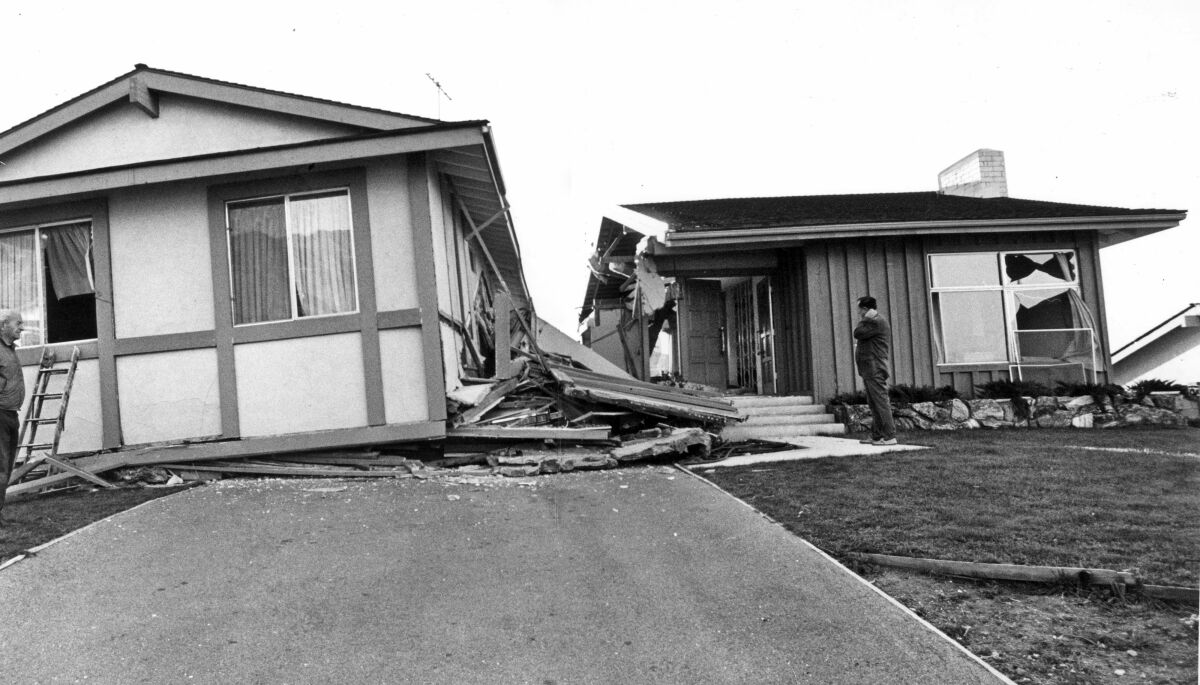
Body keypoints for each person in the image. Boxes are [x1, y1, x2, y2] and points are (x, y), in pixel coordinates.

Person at [853, 296, 897, 446]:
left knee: (880, 401)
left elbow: (857, 332)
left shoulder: (874, 321)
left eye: (860, 308)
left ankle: (890, 436)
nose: (858, 311)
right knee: (874, 403)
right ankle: (877, 436)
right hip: (869, 368)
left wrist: (866, 318)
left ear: (866, 309)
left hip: (875, 367)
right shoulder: (873, 321)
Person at [0, 309, 26, 523]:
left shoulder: (10, 350)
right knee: (1, 467)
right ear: (3, 326)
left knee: (7, 467)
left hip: (10, 414)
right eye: (18, 323)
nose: (22, 327)